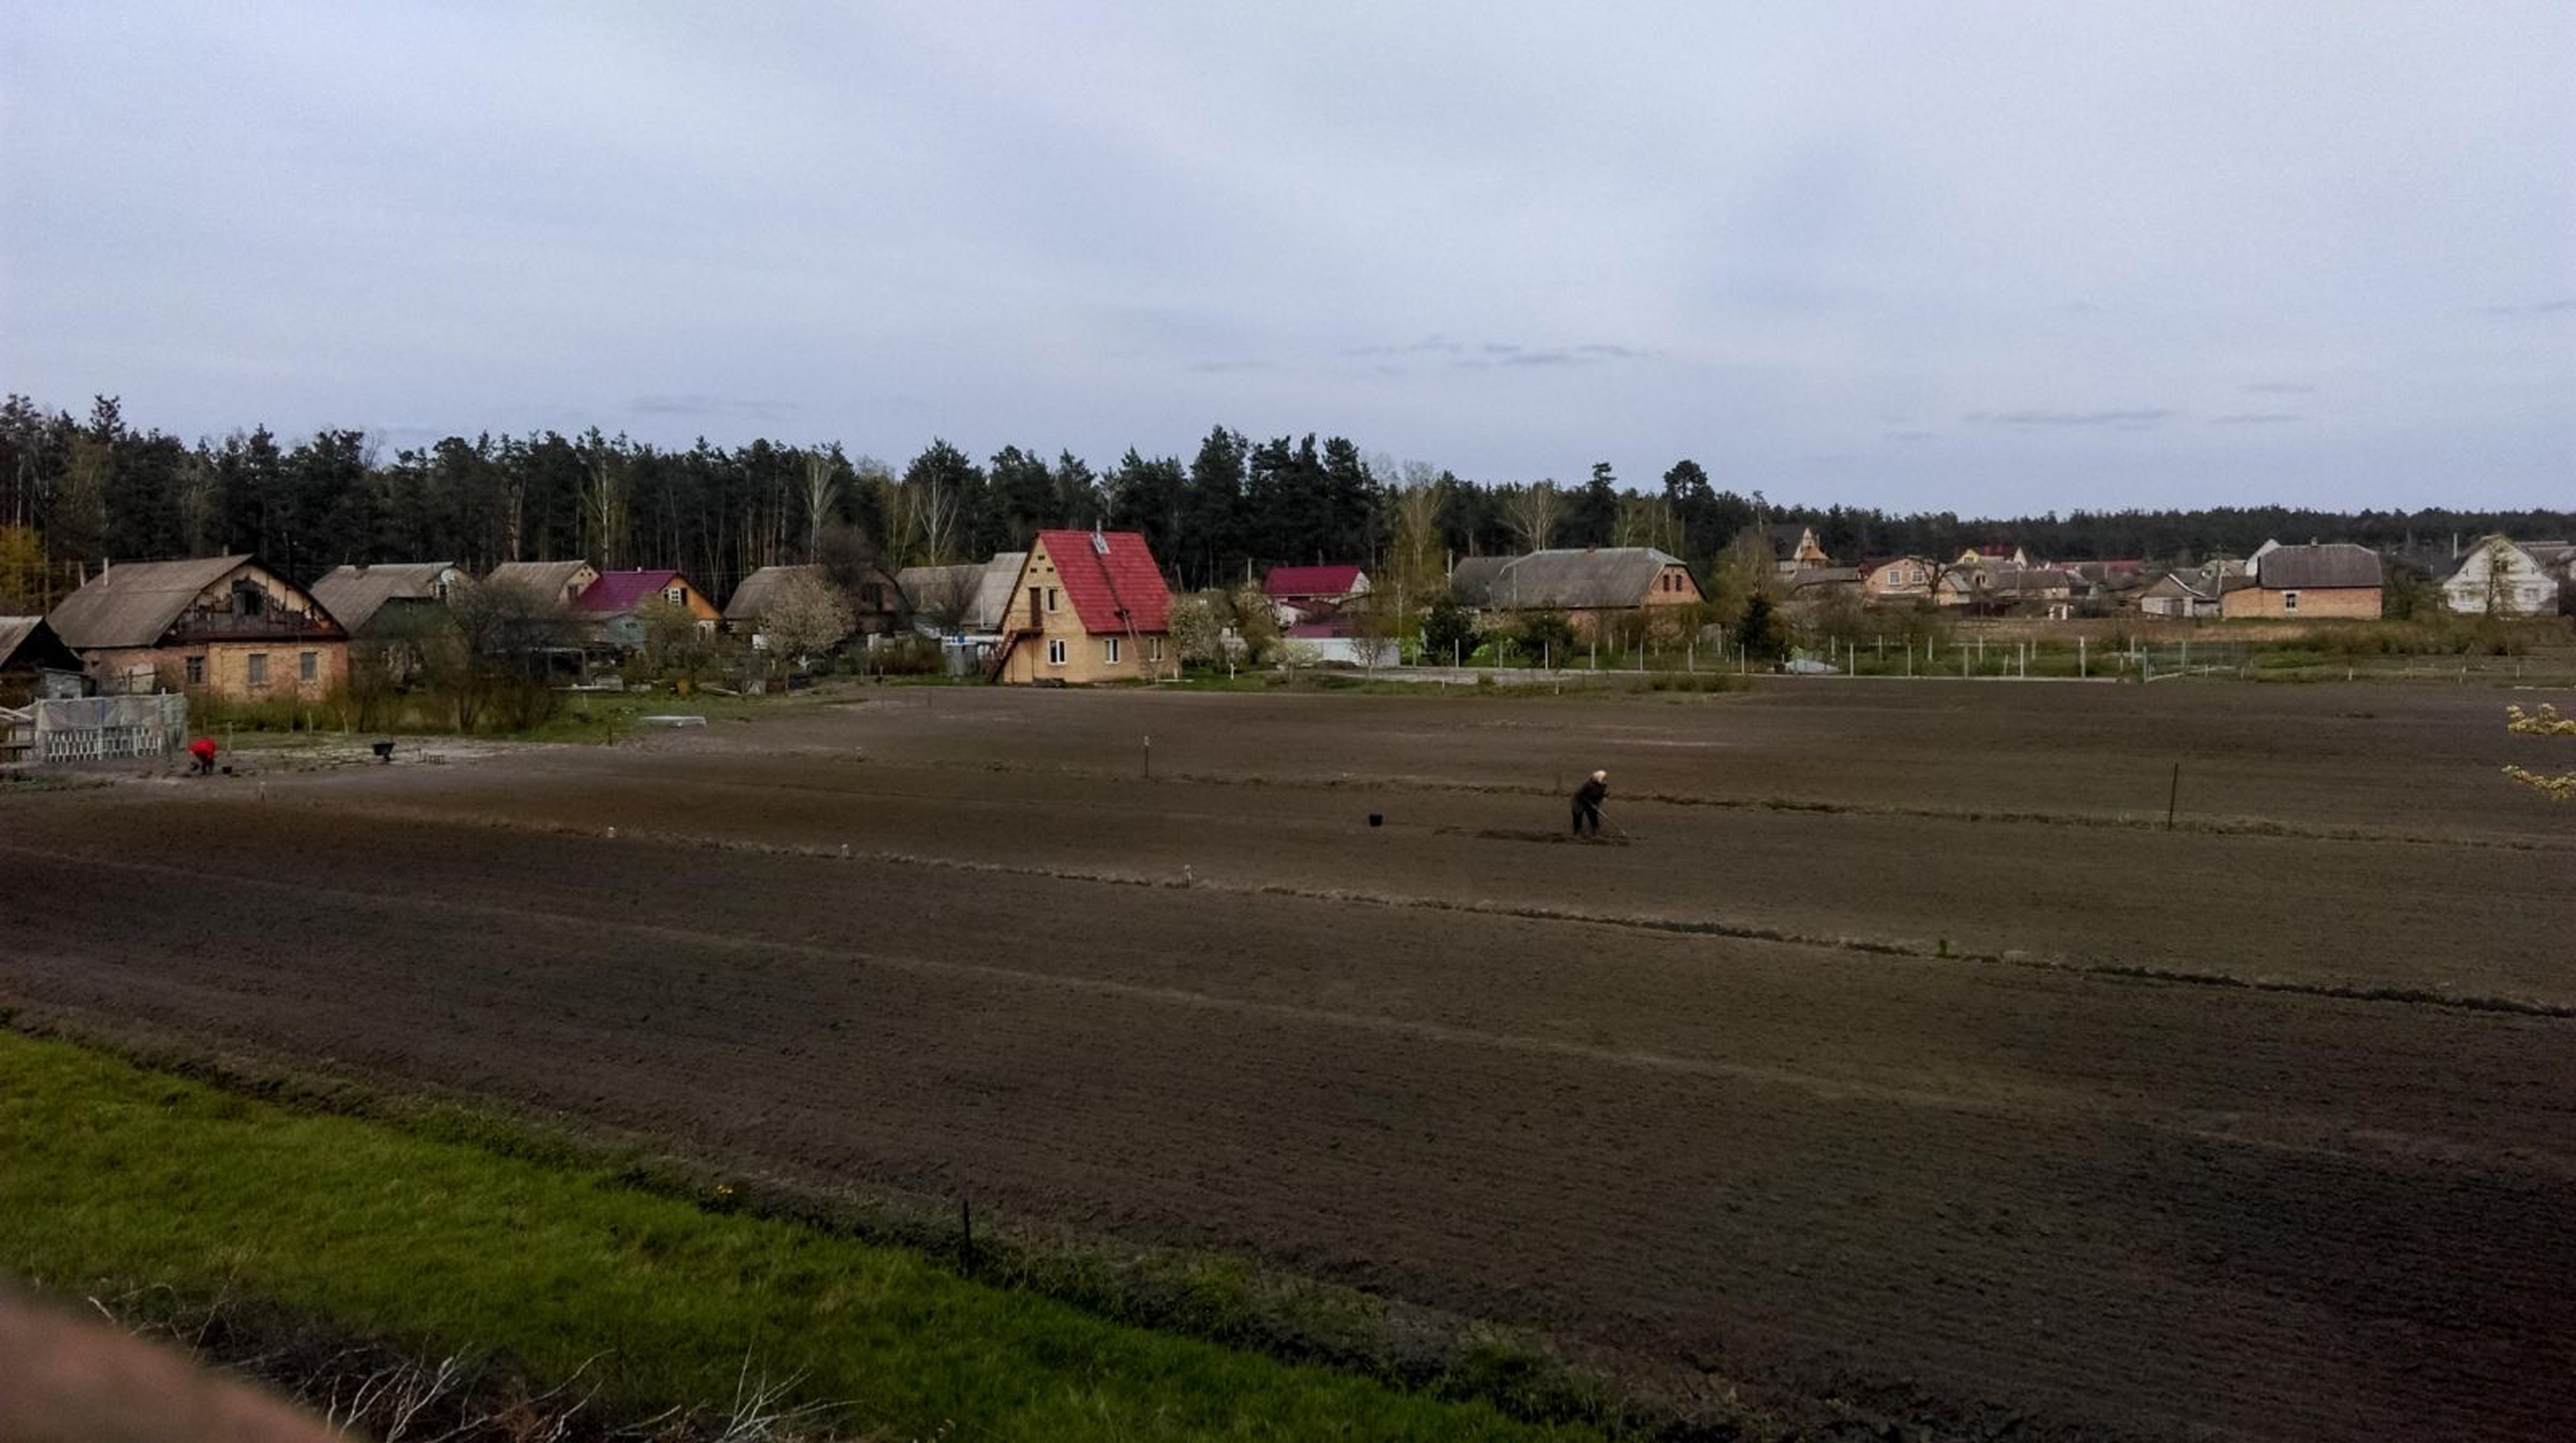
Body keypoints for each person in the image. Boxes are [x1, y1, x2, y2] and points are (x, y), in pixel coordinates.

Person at [1571, 769, 1608, 837]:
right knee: (1578, 815)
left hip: (1591, 801)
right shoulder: (1588, 784)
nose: (1605, 780)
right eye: (1603, 779)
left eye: (1605, 779)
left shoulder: (1603, 786)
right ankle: (1577, 832)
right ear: (1598, 778)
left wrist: (1598, 804)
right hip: (1579, 801)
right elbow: (1580, 795)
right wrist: (1591, 804)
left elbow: (1600, 796)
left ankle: (1595, 831)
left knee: (1593, 815)